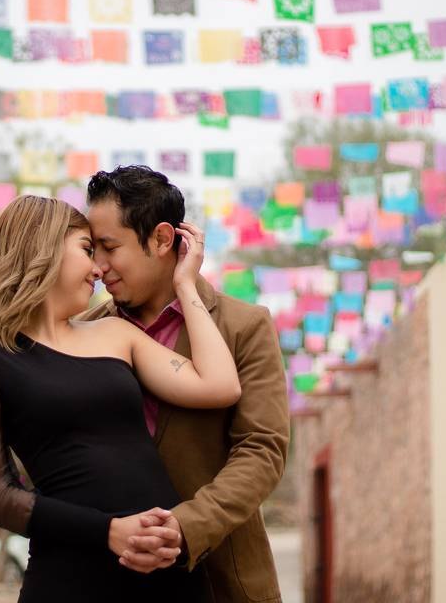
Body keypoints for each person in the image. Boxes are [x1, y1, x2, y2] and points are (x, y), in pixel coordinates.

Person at [0, 195, 241, 602]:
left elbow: (220, 385)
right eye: (86, 250)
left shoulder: (116, 335)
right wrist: (109, 532)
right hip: (73, 574)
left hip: (168, 572)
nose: (99, 268)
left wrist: (185, 284)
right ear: (42, 248)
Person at [79, 165, 290, 603]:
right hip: (107, 577)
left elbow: (262, 450)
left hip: (221, 582)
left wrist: (186, 526)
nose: (98, 267)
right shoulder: (84, 331)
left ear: (161, 239)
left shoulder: (244, 326)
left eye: (109, 247)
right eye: (91, 249)